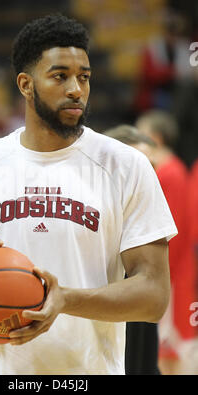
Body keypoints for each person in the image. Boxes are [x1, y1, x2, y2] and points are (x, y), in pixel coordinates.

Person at [0, 14, 177, 375]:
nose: (76, 89)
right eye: (60, 76)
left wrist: (65, 299)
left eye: (84, 77)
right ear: (25, 84)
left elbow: (153, 297)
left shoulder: (126, 166)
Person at [136, 110, 197, 374]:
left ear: (155, 138)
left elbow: (170, 229)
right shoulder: (170, 169)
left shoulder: (170, 172)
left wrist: (156, 269)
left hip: (172, 266)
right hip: (172, 264)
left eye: (141, 135)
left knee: (171, 341)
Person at [103, 125, 160, 375]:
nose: (146, 178)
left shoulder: (150, 236)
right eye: (137, 167)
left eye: (152, 168)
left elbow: (146, 349)